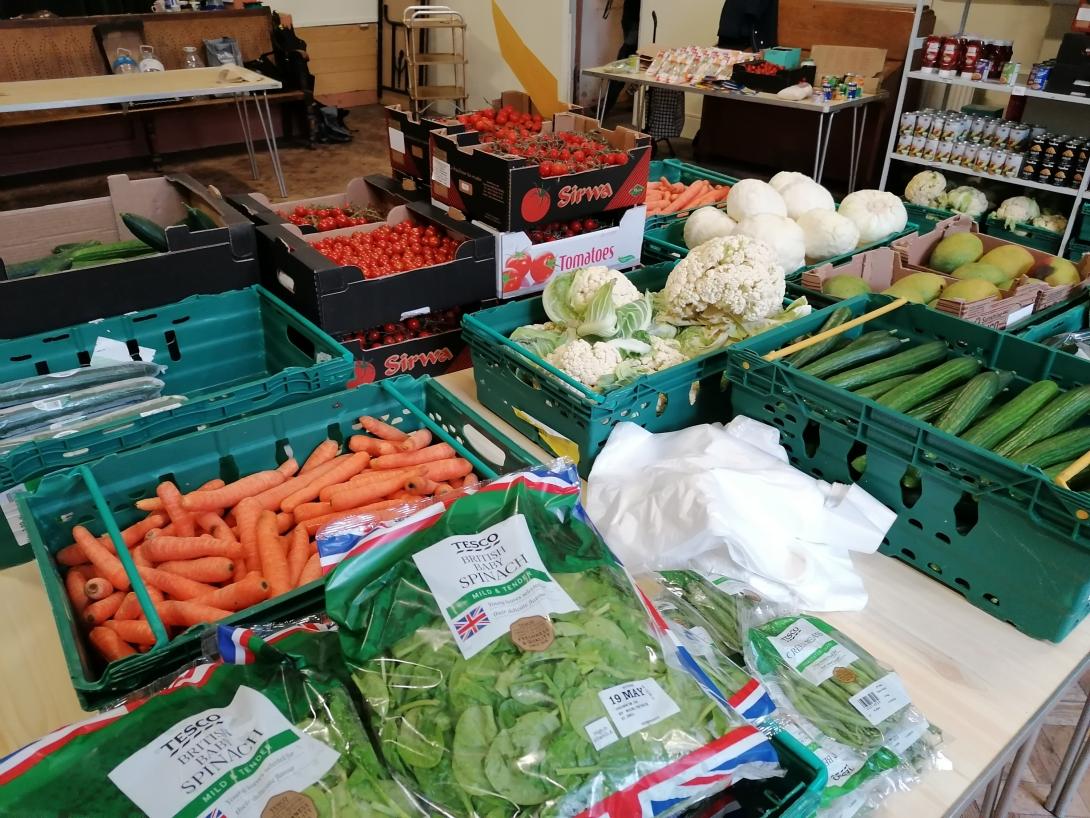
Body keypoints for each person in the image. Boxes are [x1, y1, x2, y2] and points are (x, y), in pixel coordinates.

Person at [603, 0, 641, 117]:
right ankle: (609, 105)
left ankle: (606, 106)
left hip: (635, 20)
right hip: (631, 19)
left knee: (622, 64)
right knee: (631, 64)